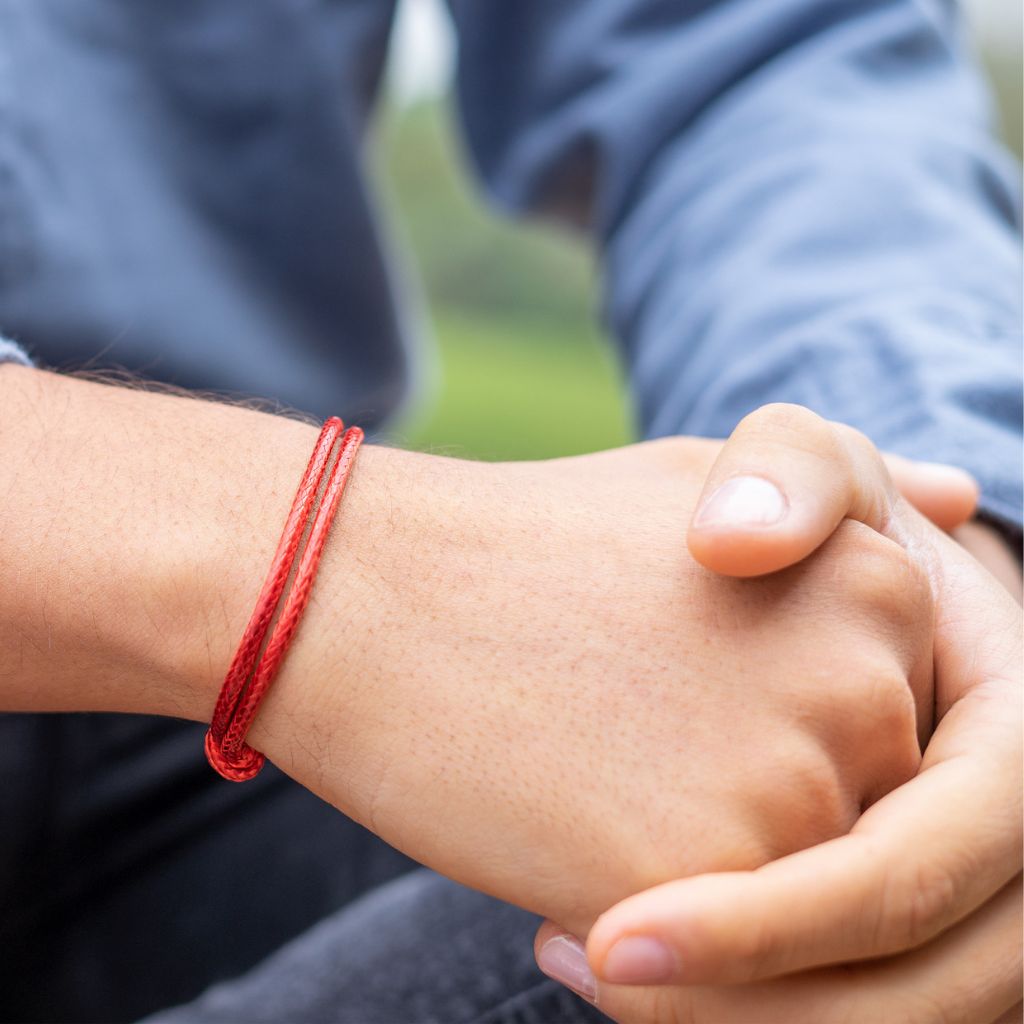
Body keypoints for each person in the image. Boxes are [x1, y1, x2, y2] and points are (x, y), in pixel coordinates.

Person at [0, 0, 1019, 1021]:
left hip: (232, 741)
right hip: (272, 626)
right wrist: (337, 571)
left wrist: (915, 587)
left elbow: (754, 56)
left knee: (833, 864)